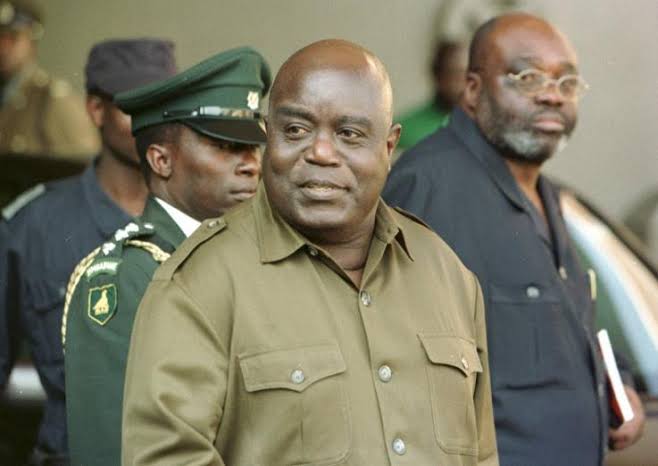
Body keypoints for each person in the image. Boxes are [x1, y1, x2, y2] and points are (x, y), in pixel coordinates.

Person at [121, 39, 498, 466]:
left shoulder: (446, 274)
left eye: (349, 134)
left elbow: (482, 454)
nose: (320, 152)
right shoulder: (200, 284)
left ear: (389, 147)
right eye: (296, 131)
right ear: (268, 136)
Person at [384, 12, 645, 465]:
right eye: (528, 78)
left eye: (567, 82)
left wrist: (615, 382)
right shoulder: (427, 186)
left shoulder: (547, 195)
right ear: (472, 90)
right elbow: (394, 370)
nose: (552, 95)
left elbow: (566, 328)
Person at [62, 46, 269, 466]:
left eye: (253, 146)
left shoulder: (258, 260)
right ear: (161, 160)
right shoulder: (127, 277)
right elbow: (111, 444)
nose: (250, 164)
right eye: (225, 146)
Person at [0, 38, 176, 466]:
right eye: (134, 107)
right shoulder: (33, 226)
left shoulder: (199, 217)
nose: (150, 123)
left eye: (164, 107)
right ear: (96, 110)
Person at [0, 0, 99, 159]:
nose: (3, 48)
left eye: (13, 38)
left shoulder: (52, 100)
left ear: (32, 42)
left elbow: (82, 168)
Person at [395, 39, 467, 152]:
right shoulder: (404, 131)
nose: (462, 84)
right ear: (438, 75)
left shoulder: (485, 131)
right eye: (456, 74)